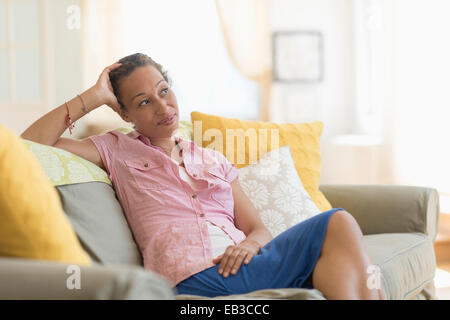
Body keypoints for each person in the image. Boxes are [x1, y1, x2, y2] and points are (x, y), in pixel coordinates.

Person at [21, 53, 384, 300]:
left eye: (164, 91)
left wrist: (249, 244)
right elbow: (30, 142)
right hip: (192, 278)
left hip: (245, 265)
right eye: (144, 101)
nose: (163, 107)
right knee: (338, 223)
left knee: (339, 247)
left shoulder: (213, 158)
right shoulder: (113, 148)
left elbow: (258, 229)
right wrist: (94, 95)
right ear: (125, 113)